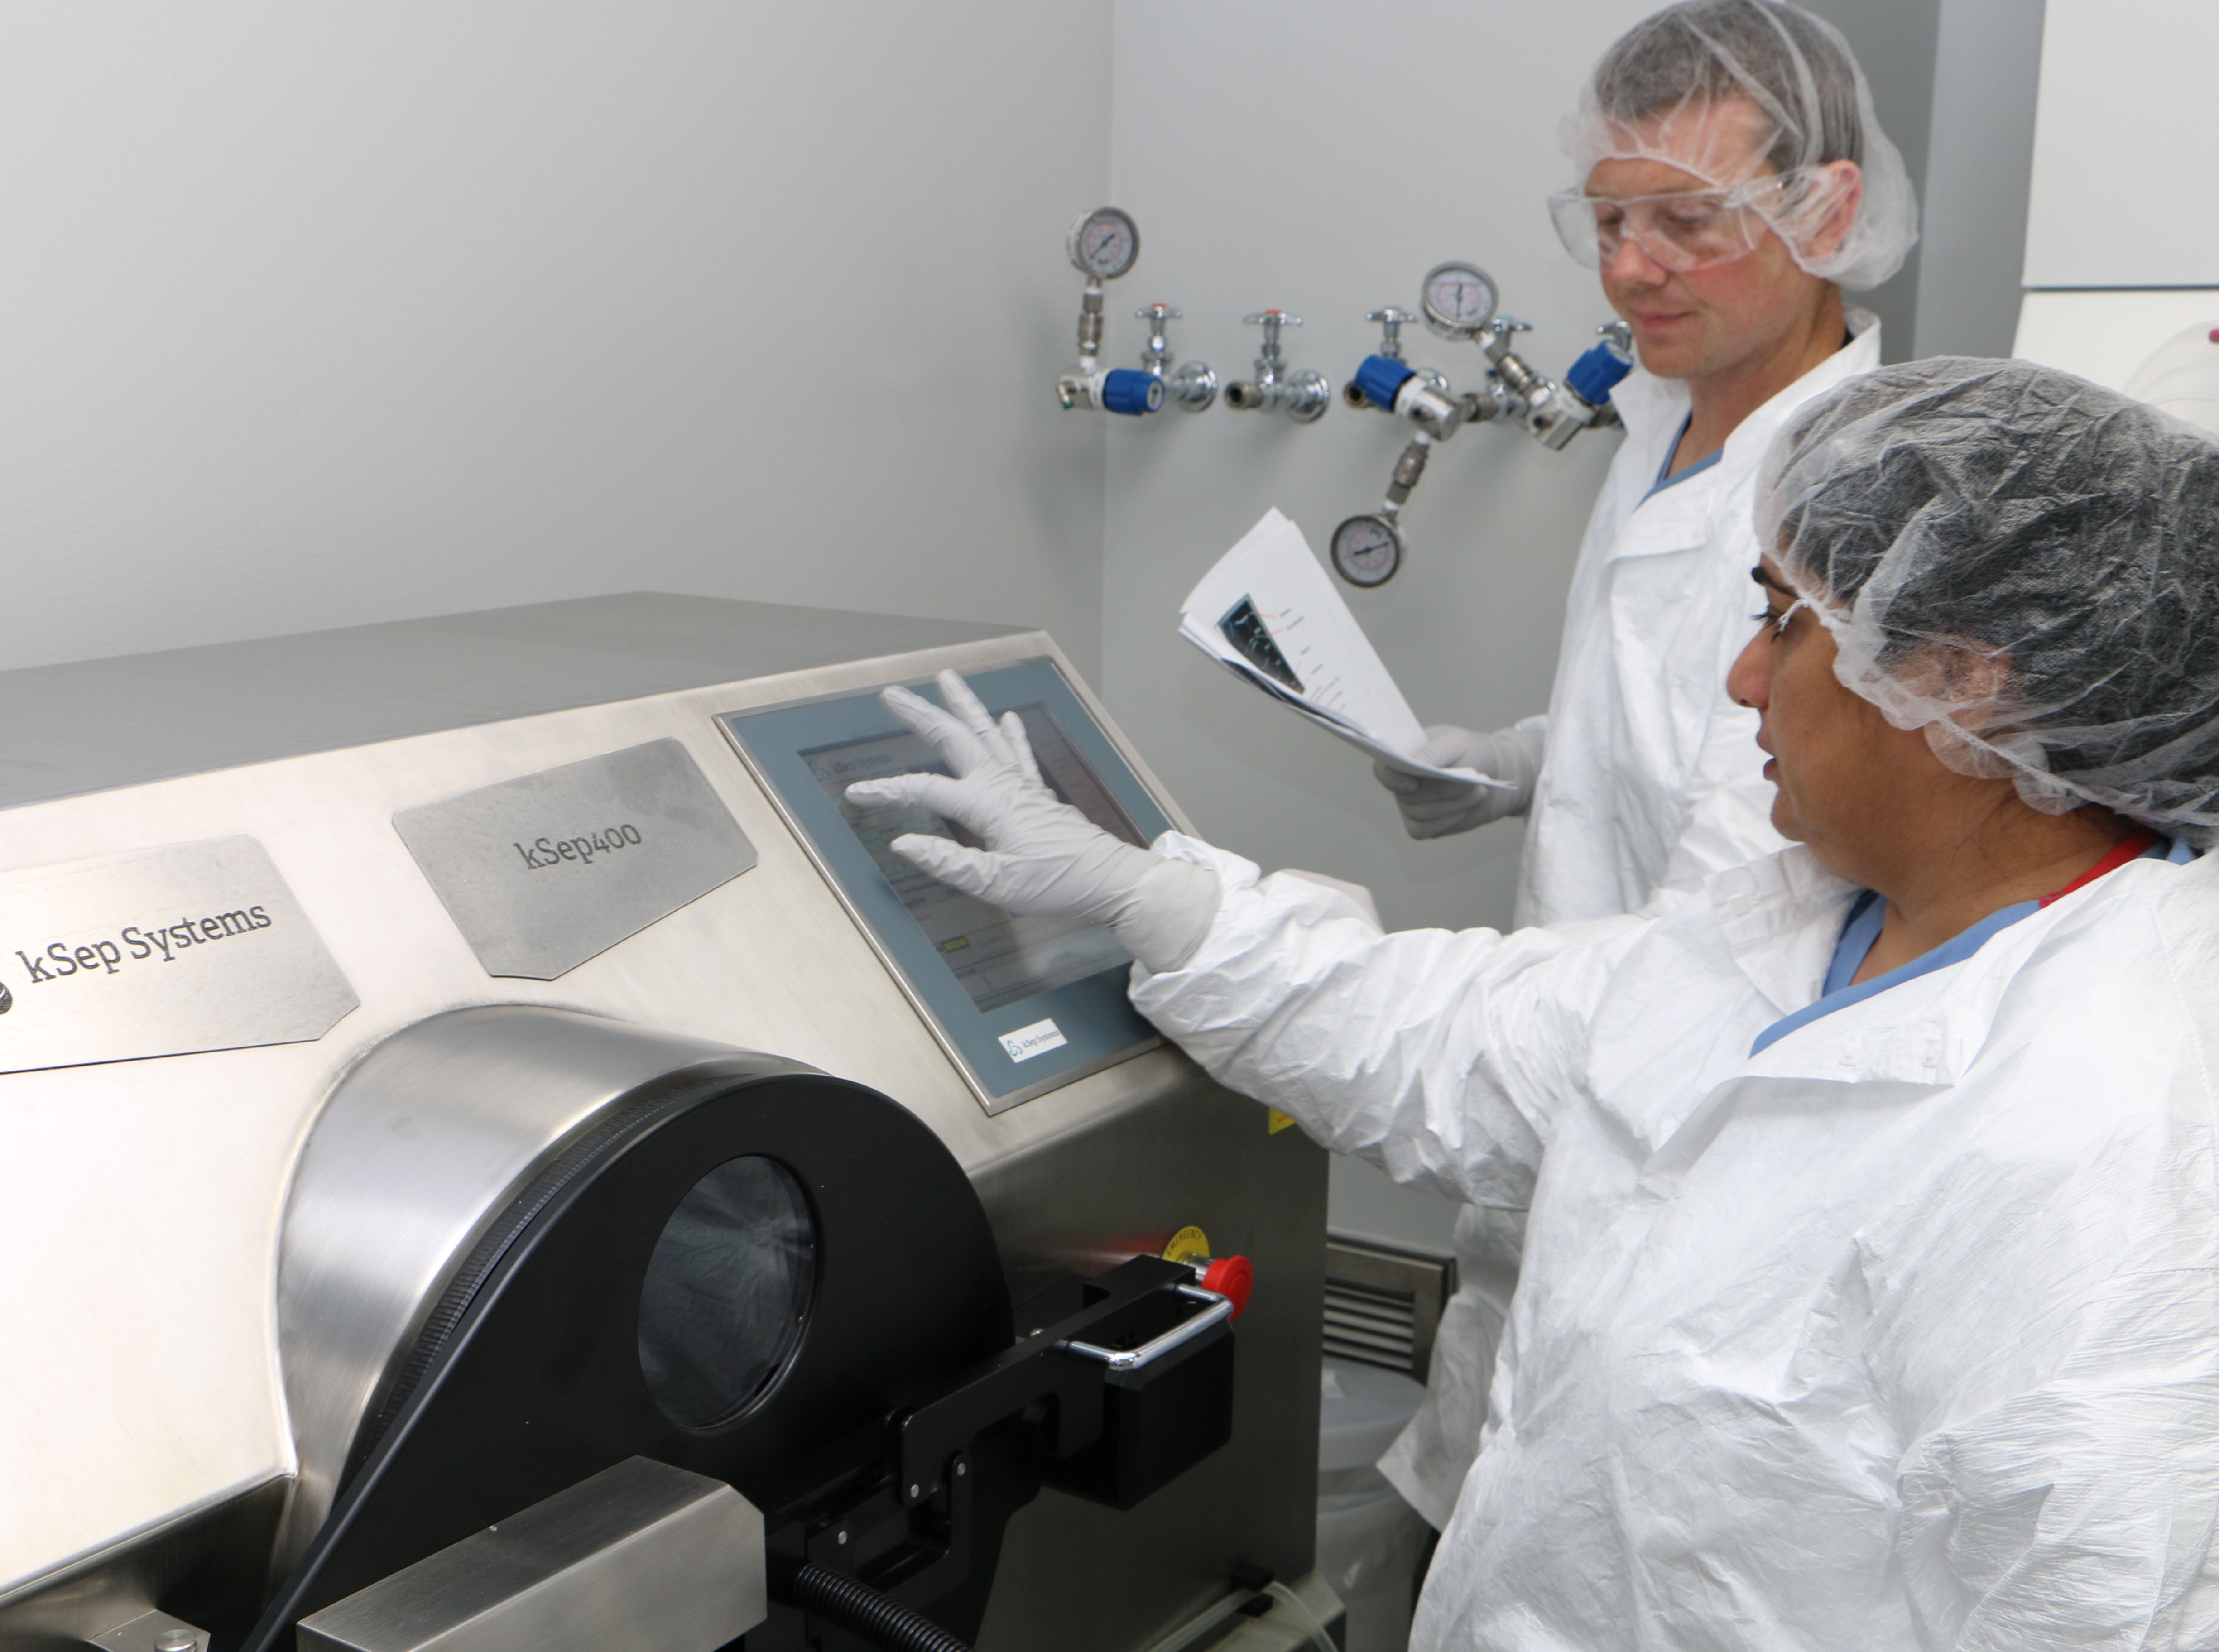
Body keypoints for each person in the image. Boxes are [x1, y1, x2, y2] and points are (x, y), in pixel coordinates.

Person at [846, 359, 2219, 1647]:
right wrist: (1146, 895)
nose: (1746, 677)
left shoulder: (2115, 1128)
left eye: (1785, 622)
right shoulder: (1796, 927)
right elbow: (1447, 1041)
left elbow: (2098, 1601)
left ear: (1956, 680)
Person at [1374, 0, 1921, 1560]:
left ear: (1828, 209)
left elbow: (1747, 899)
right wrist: (1511, 771)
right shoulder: (1663, 423)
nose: (1631, 271)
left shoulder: (1853, 488)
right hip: (1564, 1110)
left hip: (1678, 1127)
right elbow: (1684, 729)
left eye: (1689, 222)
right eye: (1610, 222)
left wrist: (1291, 976)